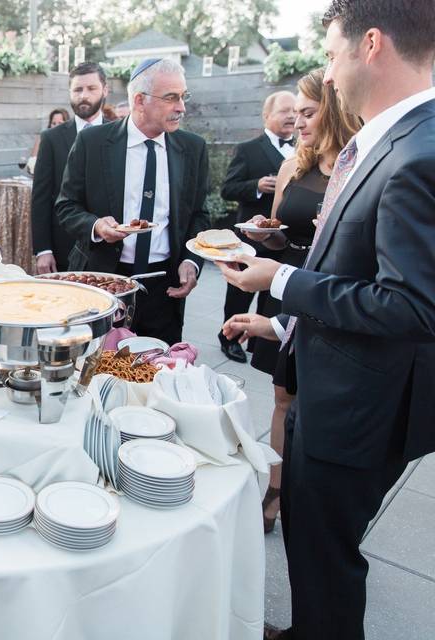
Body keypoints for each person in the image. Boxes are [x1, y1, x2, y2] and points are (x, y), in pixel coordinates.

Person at [219, 1, 435, 637]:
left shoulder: (420, 151)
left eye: (334, 54)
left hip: (361, 408)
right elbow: (362, 269)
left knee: (325, 552)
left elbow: (412, 306)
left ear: (371, 45)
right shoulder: (394, 137)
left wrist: (281, 281)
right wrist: (281, 320)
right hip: (337, 382)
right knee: (313, 546)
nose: (328, 74)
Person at [231, 69, 361, 534]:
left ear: (335, 111)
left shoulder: (358, 166)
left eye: (307, 113)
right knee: (283, 397)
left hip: (331, 293)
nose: (297, 124)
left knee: (322, 404)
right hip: (283, 286)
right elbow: (279, 231)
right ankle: (275, 489)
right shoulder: (295, 163)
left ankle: (316, 495)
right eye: (294, 115)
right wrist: (262, 238)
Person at [56, 58, 211, 345]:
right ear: (140, 100)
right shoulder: (93, 142)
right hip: (103, 283)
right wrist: (96, 225)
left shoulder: (193, 148)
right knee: (96, 372)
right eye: (171, 98)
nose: (182, 107)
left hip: (165, 288)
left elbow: (199, 214)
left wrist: (192, 260)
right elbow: (66, 207)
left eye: (183, 96)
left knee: (157, 373)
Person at [217, 90, 297, 362]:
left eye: (295, 111)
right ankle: (229, 338)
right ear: (267, 115)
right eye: (284, 111)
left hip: (285, 240)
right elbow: (227, 189)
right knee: (239, 293)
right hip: (250, 242)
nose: (291, 116)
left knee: (271, 295)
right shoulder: (249, 149)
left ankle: (260, 340)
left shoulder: (304, 149)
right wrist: (257, 186)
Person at [32, 62, 110, 275]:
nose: (83, 95)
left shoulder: (119, 133)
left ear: (105, 90)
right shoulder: (51, 138)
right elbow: (40, 197)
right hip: (62, 249)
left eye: (91, 88)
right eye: (77, 89)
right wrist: (43, 249)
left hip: (110, 250)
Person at [26, 107, 69, 172]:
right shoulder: (43, 139)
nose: (56, 126)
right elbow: (31, 165)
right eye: (53, 123)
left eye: (60, 123)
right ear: (50, 125)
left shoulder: (72, 140)